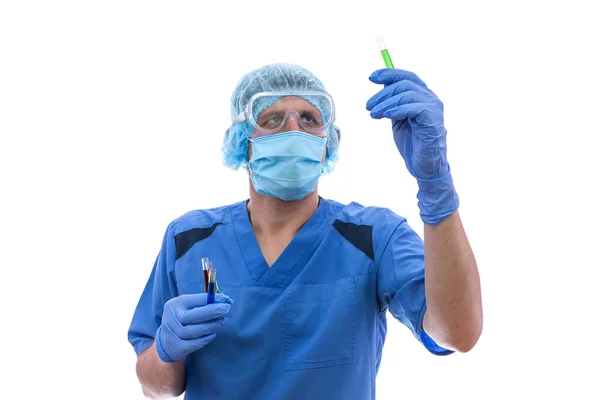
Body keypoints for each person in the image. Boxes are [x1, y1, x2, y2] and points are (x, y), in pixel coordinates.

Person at [127, 63, 483, 400]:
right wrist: (165, 349)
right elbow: (156, 386)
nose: (293, 130)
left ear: (329, 140)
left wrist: (435, 185)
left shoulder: (373, 236)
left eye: (310, 119)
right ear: (241, 139)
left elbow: (458, 333)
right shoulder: (189, 239)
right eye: (273, 119)